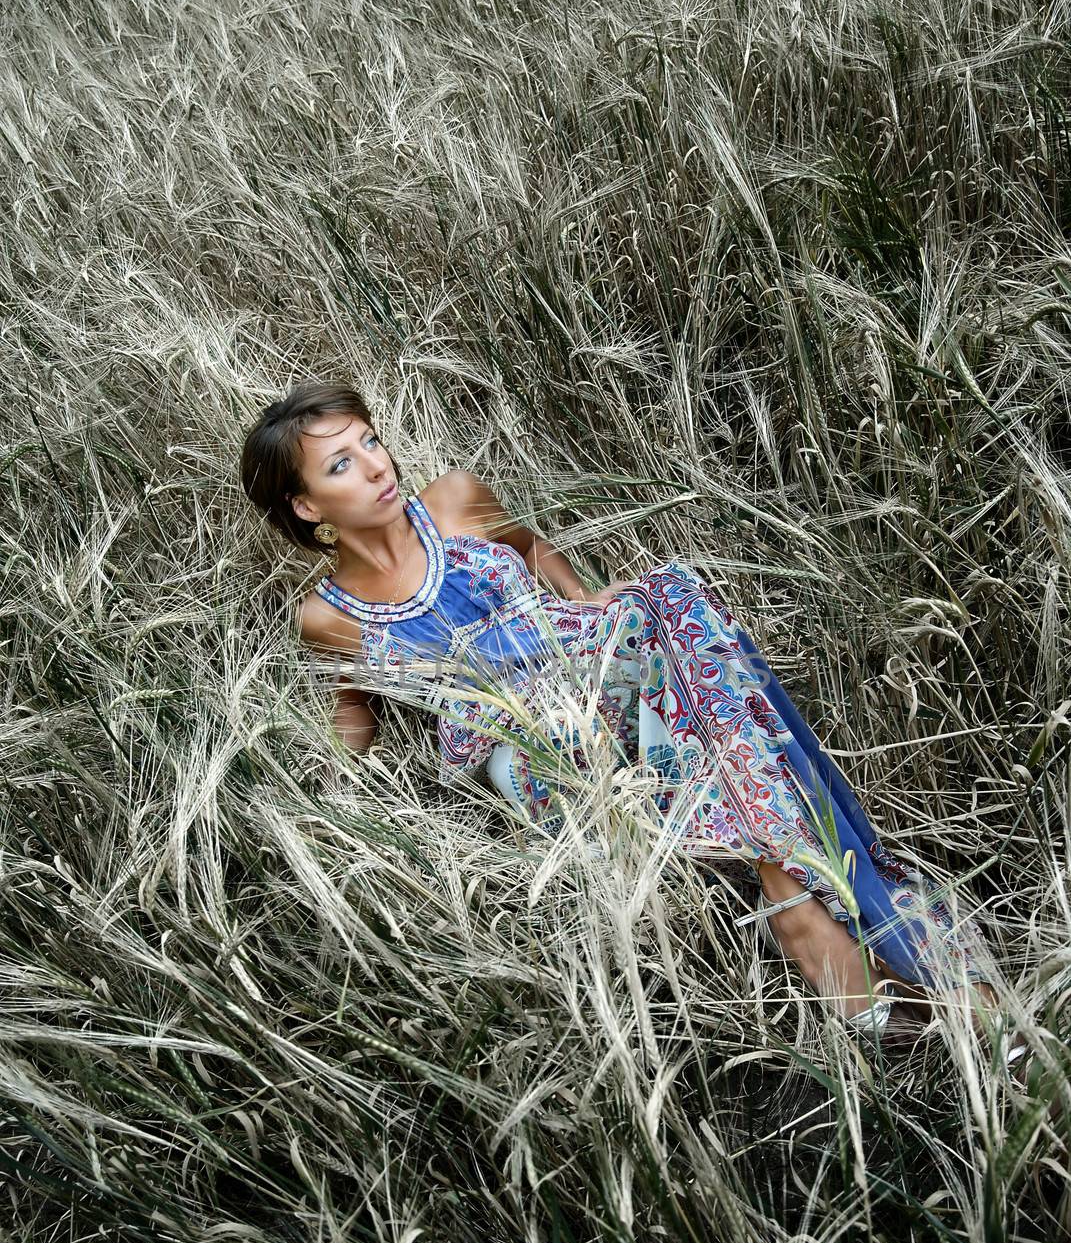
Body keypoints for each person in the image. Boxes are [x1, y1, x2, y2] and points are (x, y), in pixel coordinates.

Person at [240, 379, 1021, 1057]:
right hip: (520, 751)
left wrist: (590, 613)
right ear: (307, 506)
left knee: (662, 601)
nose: (376, 464)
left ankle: (792, 908)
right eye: (341, 463)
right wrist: (335, 800)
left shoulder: (454, 499)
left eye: (370, 440)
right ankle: (809, 909)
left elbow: (541, 557)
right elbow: (352, 708)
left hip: (593, 673)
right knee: (659, 637)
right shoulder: (327, 616)